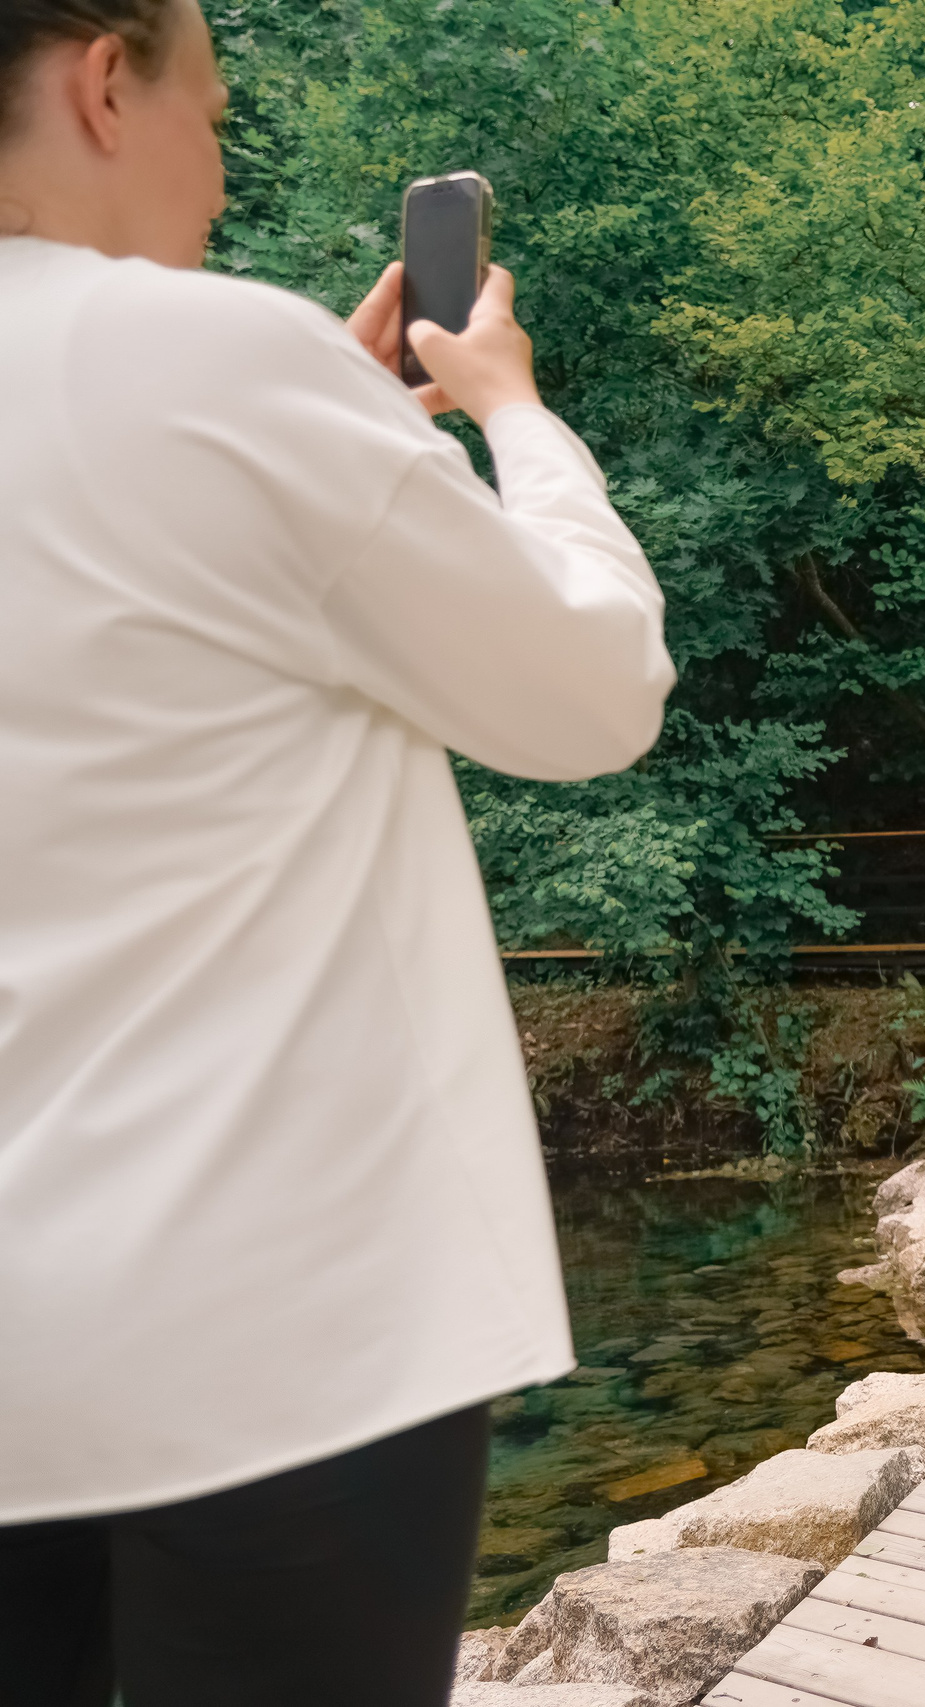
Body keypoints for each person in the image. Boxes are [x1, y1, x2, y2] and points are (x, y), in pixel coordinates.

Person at [0, 1, 673, 1700]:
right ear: (100, 82)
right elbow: (595, 688)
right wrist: (508, 416)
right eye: (211, 116)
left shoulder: (231, 377)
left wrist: (331, 418)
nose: (222, 176)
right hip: (282, 1345)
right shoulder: (219, 358)